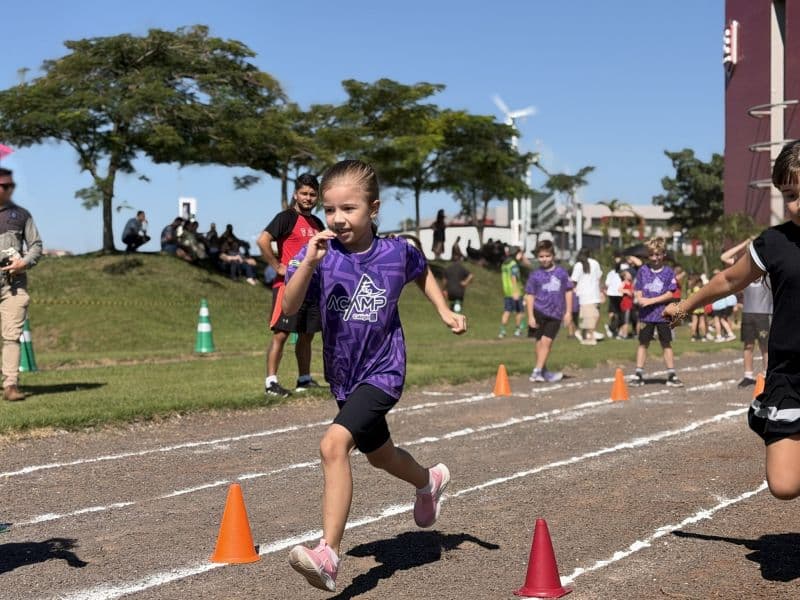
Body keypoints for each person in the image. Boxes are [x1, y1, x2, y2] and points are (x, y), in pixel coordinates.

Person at [283, 159, 466, 592]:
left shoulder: (396, 252)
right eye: (330, 210)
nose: (337, 218)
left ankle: (327, 553)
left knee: (332, 445)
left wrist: (444, 311)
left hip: (383, 372)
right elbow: (289, 308)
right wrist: (309, 263)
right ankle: (429, 480)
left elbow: (423, 273)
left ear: (374, 208)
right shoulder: (319, 255)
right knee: (379, 456)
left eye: (349, 208)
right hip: (343, 377)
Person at [664, 139, 800, 501]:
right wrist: (685, 306)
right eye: (789, 194)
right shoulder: (774, 243)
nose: (796, 204)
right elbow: (728, 279)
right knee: (784, 486)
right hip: (790, 372)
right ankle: (769, 418)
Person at [257, 174, 325, 397]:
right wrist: (277, 266)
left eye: (312, 194)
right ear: (295, 194)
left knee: (307, 334)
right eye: (304, 193)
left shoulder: (317, 223)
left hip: (312, 287)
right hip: (288, 286)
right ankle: (271, 383)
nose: (308, 198)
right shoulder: (286, 217)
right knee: (281, 334)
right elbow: (263, 240)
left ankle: (304, 379)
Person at [0, 168, 43, 402]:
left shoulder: (21, 215)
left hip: (12, 285)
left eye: (9, 186)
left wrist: (23, 263)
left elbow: (36, 245)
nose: (7, 190)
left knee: (11, 335)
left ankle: (10, 385)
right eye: (2, 185)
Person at [720, 237, 772, 388]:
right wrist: (744, 243)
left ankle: (768, 375)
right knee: (748, 345)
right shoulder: (745, 266)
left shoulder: (769, 266)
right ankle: (748, 376)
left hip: (765, 313)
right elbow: (724, 257)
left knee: (765, 347)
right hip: (748, 313)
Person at [631, 237, 682, 387]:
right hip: (646, 315)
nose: (655, 258)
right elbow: (638, 289)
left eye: (658, 254)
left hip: (662, 314)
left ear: (663, 254)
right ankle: (638, 373)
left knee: (666, 343)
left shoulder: (668, 272)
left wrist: (650, 301)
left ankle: (671, 374)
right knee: (643, 343)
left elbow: (670, 294)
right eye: (652, 255)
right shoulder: (643, 270)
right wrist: (639, 298)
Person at [525, 239, 574, 382]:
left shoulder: (561, 273)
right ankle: (543, 371)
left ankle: (537, 371)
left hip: (555, 313)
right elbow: (530, 295)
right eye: (541, 256)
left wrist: (568, 312)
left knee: (547, 342)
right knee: (539, 342)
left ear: (553, 256)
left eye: (547, 256)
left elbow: (569, 291)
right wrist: (530, 316)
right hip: (538, 311)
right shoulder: (535, 275)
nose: (544, 259)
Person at [570, 247, 603, 345]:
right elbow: (599, 278)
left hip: (584, 295)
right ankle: (588, 336)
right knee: (592, 316)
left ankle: (588, 336)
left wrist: (573, 290)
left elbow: (574, 280)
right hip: (594, 294)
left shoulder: (578, 265)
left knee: (588, 317)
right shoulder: (595, 263)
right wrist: (601, 291)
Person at [498, 246, 524, 338]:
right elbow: (514, 277)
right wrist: (516, 291)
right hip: (515, 291)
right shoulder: (513, 264)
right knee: (519, 311)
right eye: (520, 253)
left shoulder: (504, 264)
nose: (522, 256)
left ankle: (502, 331)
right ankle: (518, 330)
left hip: (507, 291)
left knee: (507, 311)